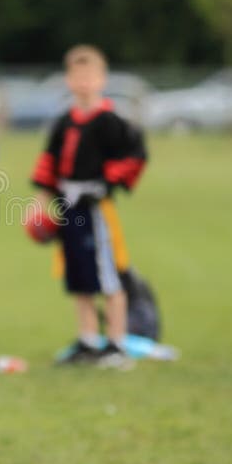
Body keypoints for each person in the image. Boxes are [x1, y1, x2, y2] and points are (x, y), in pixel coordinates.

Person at [28, 44, 147, 368]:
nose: (83, 83)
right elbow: (49, 165)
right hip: (68, 205)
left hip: (95, 207)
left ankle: (117, 345)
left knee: (108, 276)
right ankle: (88, 340)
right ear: (68, 80)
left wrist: (106, 182)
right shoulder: (64, 122)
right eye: (77, 76)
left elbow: (135, 156)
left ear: (101, 79)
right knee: (78, 275)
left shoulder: (110, 121)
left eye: (90, 76)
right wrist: (39, 204)